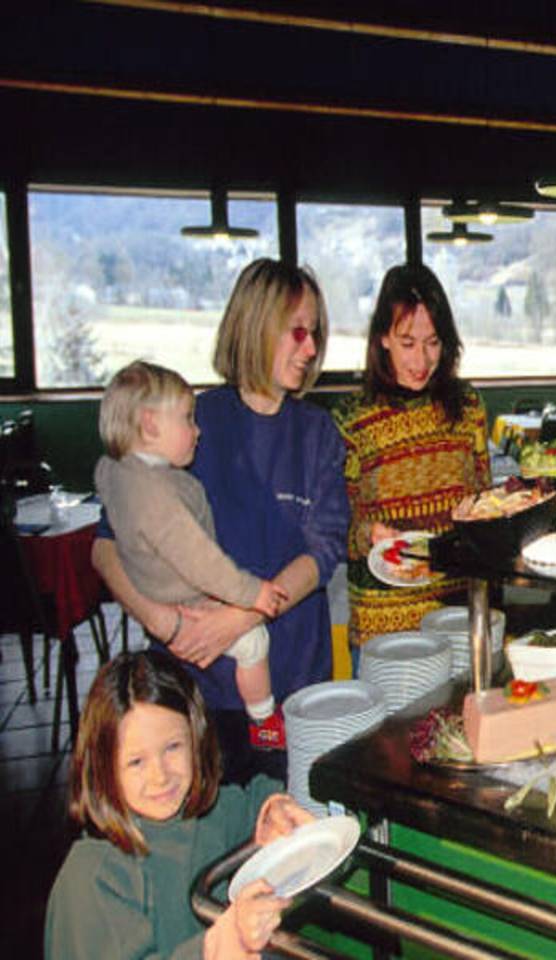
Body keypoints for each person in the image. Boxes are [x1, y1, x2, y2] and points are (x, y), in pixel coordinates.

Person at [93, 259, 350, 784]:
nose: (310, 348)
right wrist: (162, 622)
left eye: (315, 334)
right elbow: (106, 545)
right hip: (196, 683)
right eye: (297, 332)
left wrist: (241, 616)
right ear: (255, 326)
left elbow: (323, 552)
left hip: (294, 679)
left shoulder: (318, 432)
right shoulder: (190, 421)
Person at [45, 651, 313, 959]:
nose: (160, 776)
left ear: (196, 740)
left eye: (172, 747)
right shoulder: (92, 879)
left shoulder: (208, 814)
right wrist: (224, 943)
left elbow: (254, 801)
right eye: (136, 762)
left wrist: (274, 808)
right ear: (103, 767)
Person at [95, 360, 290, 751]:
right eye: (187, 419)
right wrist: (253, 593)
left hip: (148, 582)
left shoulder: (112, 469)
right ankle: (264, 719)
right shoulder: (158, 497)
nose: (197, 431)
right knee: (254, 642)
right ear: (150, 425)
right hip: (181, 594)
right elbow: (201, 561)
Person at [332, 263, 490, 657]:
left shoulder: (468, 406)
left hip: (457, 611)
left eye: (433, 343)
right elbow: (335, 523)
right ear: (383, 338)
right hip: (383, 622)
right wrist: (367, 534)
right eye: (407, 343)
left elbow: (484, 502)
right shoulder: (353, 419)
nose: (421, 360)